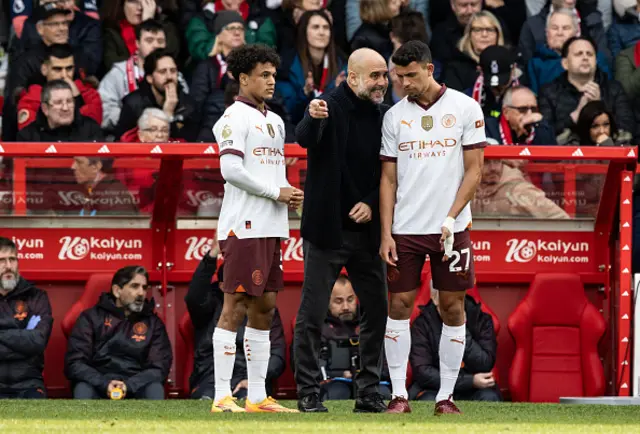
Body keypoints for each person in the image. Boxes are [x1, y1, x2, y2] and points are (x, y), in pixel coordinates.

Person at [379, 40, 486, 415]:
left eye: (410, 75)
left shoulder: (465, 108)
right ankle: (398, 395)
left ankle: (446, 397)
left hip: (452, 227)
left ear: (429, 68)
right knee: (399, 305)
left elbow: (475, 170)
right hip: (407, 227)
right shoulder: (394, 117)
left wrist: (450, 217)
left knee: (452, 307)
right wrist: (386, 232)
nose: (403, 82)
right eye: (398, 76)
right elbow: (388, 180)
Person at [294, 47, 389, 414]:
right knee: (312, 313)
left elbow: (390, 172)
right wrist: (311, 115)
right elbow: (304, 137)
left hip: (367, 233)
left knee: (377, 310)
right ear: (352, 77)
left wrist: (369, 201)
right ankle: (308, 392)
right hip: (326, 230)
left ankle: (368, 391)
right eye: (374, 76)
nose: (381, 82)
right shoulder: (326, 105)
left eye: (384, 75)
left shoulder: (386, 115)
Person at [209, 44, 302, 413]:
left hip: (270, 226)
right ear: (243, 78)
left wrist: (288, 195)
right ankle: (220, 396)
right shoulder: (233, 118)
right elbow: (230, 170)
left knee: (264, 307)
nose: (271, 81)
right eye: (264, 75)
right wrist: (275, 191)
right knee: (235, 304)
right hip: (242, 226)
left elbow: (272, 174)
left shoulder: (276, 121)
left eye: (273, 75)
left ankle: (258, 396)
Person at [185, 240, 285, 400]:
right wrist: (212, 256)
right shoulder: (208, 306)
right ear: (222, 286)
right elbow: (193, 298)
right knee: (208, 403)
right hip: (211, 377)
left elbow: (277, 356)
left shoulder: (263, 307)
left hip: (250, 377)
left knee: (250, 401)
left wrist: (255, 378)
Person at [64, 266, 172, 399]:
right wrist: (104, 384)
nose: (141, 293)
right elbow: (75, 363)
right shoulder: (90, 318)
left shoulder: (153, 323)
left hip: (136, 386)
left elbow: (159, 367)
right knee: (82, 388)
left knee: (154, 388)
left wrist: (129, 385)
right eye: (134, 286)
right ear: (117, 291)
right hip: (98, 385)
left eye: (144, 288)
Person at [409, 286, 501, 402]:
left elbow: (485, 363)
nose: (452, 304)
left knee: (489, 398)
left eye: (457, 297)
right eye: (447, 297)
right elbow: (423, 372)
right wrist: (470, 381)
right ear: (434, 298)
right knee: (427, 402)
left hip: (476, 389)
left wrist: (460, 329)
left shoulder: (480, 319)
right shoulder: (422, 324)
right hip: (434, 388)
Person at [539, 36, 636, 142]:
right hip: (565, 155)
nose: (585, 57)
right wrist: (575, 116)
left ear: (596, 61)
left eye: (589, 54)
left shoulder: (614, 88)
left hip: (606, 153)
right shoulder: (549, 91)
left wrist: (599, 108)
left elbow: (628, 128)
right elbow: (544, 135)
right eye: (578, 54)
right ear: (565, 63)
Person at [318, 275, 392, 400]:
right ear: (327, 300)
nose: (346, 307)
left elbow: (388, 362)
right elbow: (312, 366)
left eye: (350, 299)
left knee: (382, 393)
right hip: (335, 383)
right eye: (339, 301)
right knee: (337, 394)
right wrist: (342, 374)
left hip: (371, 380)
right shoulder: (319, 327)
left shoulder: (370, 322)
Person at [0, 237, 53, 399]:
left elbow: (37, 342)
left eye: (12, 259)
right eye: (1, 260)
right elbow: (28, 341)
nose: (9, 266)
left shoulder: (37, 297)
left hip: (28, 384)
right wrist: (20, 336)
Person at [98, 19, 172, 132]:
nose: (156, 45)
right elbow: (104, 109)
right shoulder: (118, 73)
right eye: (149, 40)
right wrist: (137, 121)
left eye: (160, 41)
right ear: (137, 43)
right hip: (126, 138)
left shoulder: (173, 74)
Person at [277, 10, 347, 124]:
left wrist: (338, 92)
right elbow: (289, 114)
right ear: (304, 32)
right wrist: (304, 94)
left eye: (326, 27)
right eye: (315, 27)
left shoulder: (343, 66)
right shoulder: (286, 67)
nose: (321, 32)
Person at [114, 49, 199, 142]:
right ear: (150, 78)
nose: (169, 76)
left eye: (173, 71)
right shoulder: (133, 103)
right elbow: (121, 141)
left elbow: (190, 143)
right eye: (162, 72)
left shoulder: (188, 104)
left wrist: (169, 116)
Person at [17, 43, 102, 131]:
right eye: (57, 69)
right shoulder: (30, 100)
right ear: (44, 70)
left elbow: (92, 130)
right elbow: (30, 134)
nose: (64, 75)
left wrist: (78, 98)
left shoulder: (90, 95)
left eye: (69, 69)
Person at [527, 9, 610, 95]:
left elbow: (609, 92)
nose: (560, 33)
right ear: (547, 33)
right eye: (554, 28)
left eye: (565, 28)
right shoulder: (536, 63)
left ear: (576, 33)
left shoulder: (595, 58)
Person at [16, 80, 104, 142]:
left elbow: (105, 165)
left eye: (69, 101)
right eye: (58, 103)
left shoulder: (91, 130)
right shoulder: (27, 136)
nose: (65, 108)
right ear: (45, 109)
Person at [442, 11, 505, 93]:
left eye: (490, 30)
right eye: (478, 30)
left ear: (498, 34)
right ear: (469, 35)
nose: (484, 34)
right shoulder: (454, 68)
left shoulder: (509, 62)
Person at [484, 86, 557, 145]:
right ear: (506, 112)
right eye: (522, 109)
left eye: (534, 109)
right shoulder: (487, 128)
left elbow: (552, 159)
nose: (530, 114)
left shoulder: (541, 127)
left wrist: (541, 124)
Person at [557, 100, 631, 146]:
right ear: (585, 128)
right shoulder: (572, 148)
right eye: (595, 126)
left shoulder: (623, 146)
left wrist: (608, 147)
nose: (602, 131)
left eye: (606, 124)